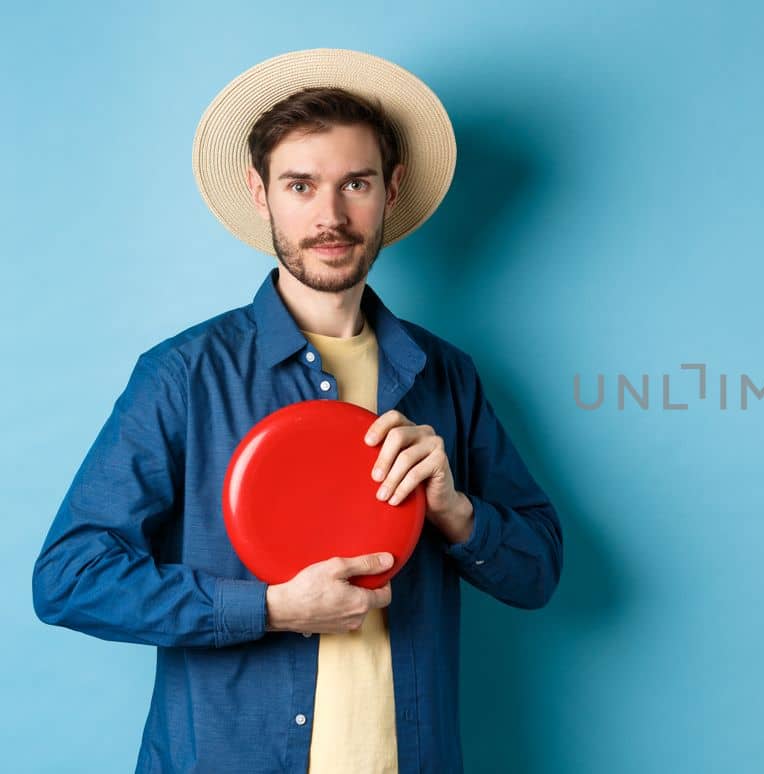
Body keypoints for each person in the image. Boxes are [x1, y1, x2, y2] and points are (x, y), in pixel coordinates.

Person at [30, 49, 563, 774]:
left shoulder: (447, 377)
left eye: (356, 184)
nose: (330, 216)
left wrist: (457, 512)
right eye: (301, 185)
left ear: (391, 190)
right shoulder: (183, 375)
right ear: (262, 193)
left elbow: (537, 573)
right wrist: (272, 608)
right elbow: (69, 578)